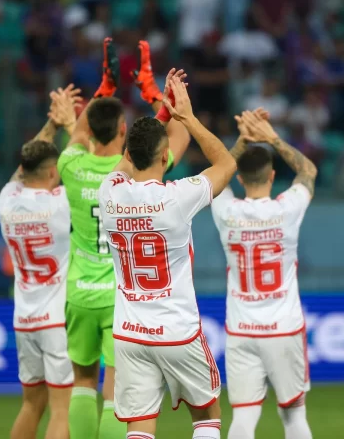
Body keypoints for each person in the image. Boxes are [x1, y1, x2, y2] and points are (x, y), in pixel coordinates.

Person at [57, 39, 190, 439]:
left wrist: (105, 87)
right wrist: (155, 96)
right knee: (118, 389)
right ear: (122, 130)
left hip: (78, 291)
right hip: (118, 296)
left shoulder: (70, 164)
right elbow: (176, 138)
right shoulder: (132, 176)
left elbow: (80, 130)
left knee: (82, 382)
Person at [97, 74, 236, 439]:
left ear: (126, 153)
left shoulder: (108, 192)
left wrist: (159, 117)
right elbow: (225, 165)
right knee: (207, 414)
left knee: (139, 425)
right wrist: (185, 117)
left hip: (129, 333)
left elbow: (127, 162)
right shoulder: (177, 197)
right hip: (176, 330)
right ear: (165, 155)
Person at [211, 109, 317, 439]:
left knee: (243, 417)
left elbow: (216, 175)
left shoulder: (226, 209)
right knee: (294, 414)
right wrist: (271, 137)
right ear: (272, 176)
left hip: (241, 330)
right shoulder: (287, 208)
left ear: (240, 179)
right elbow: (307, 170)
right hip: (284, 328)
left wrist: (241, 142)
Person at [0, 84, 81, 439]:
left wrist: (50, 125)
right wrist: (69, 123)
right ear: (51, 173)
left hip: (24, 318)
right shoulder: (61, 203)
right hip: (57, 318)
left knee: (32, 405)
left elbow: (27, 165)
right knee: (62, 409)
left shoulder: (7, 200)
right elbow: (81, 164)